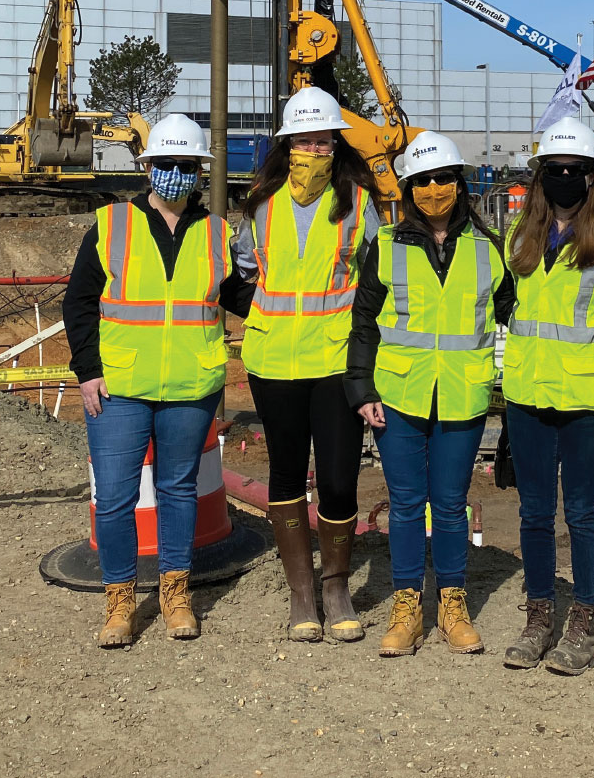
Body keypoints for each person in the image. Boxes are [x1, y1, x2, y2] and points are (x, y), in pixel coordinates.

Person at [63, 114, 237, 648]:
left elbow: (243, 304)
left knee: (178, 492)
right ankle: (119, 600)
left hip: (190, 388)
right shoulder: (111, 225)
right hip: (119, 388)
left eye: (186, 166)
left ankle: (175, 592)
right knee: (114, 497)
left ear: (199, 172)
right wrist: (88, 371)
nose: (175, 174)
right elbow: (79, 302)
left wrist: (256, 273)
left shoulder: (218, 233)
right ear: (147, 167)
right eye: (166, 164)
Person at [344, 131, 512, 658]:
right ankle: (408, 605)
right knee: (407, 504)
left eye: (443, 179)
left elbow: (514, 316)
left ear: (459, 185)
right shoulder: (387, 244)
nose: (435, 189)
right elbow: (364, 320)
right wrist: (361, 387)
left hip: (462, 395)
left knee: (450, 504)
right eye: (424, 181)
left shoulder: (490, 249)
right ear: (410, 188)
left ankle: (452, 603)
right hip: (398, 394)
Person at [227, 87, 379, 643]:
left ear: (336, 144)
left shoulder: (360, 203)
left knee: (339, 480)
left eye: (323, 140)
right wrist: (263, 314)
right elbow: (243, 273)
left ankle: (336, 586)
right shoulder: (261, 203)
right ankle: (302, 595)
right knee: (286, 475)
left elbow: (376, 278)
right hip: (273, 361)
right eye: (303, 139)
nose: (313, 149)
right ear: (287, 144)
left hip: (336, 360)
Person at [499, 117, 594, 675]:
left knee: (581, 513)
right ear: (539, 177)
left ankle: (583, 616)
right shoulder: (520, 234)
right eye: (553, 171)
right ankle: (539, 615)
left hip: (587, 399)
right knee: (534, 514)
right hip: (529, 396)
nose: (562, 178)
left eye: (573, 171)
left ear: (591, 177)